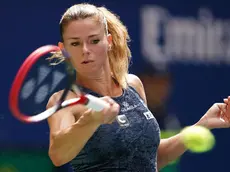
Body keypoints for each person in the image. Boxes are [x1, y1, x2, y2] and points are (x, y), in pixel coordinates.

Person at [46, 3, 230, 172]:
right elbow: (58, 155)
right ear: (64, 49)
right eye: (75, 43)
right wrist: (90, 120)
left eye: (94, 41)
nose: (85, 50)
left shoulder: (133, 85)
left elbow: (151, 158)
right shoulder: (65, 100)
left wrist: (203, 124)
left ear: (108, 41)